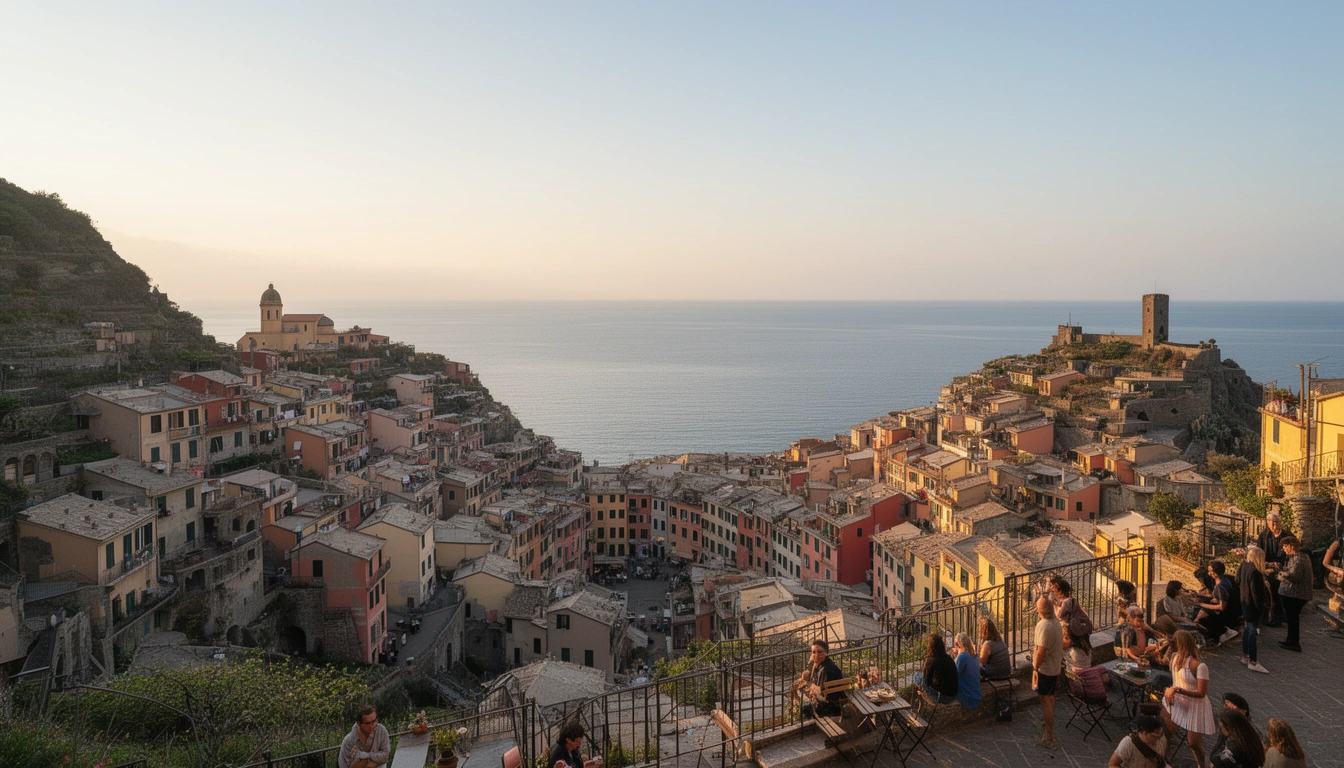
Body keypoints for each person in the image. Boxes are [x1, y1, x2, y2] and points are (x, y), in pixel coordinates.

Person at [1161, 630, 1216, 768]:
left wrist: (1180, 690)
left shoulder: (1200, 666)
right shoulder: (1174, 657)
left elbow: (1202, 693)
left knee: (1193, 743)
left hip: (1195, 705)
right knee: (1166, 732)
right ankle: (1163, 760)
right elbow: (1162, 661)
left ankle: (1201, 765)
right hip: (1178, 701)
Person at [1032, 595, 1063, 751]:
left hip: (1046, 669)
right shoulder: (1055, 623)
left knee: (1045, 700)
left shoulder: (1044, 626)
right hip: (1055, 667)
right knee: (1050, 697)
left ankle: (1049, 736)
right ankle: (1047, 725)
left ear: (1040, 610)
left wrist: (1035, 668)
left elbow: (1040, 651)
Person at [1237, 546, 1272, 673]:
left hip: (1244, 603)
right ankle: (1253, 661)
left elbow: (1237, 580)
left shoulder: (1243, 566)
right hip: (1253, 606)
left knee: (1247, 629)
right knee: (1253, 632)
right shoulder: (1255, 573)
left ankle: (1245, 656)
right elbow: (1257, 594)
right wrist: (1261, 608)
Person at [1276, 536, 1313, 652]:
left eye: (1285, 547)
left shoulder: (1299, 559)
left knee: (1293, 617)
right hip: (1295, 593)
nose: (1284, 549)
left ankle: (1294, 642)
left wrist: (1281, 573)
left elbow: (1294, 576)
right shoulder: (1299, 556)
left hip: (1296, 594)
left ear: (1291, 546)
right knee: (1292, 617)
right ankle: (1290, 638)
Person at [1048, 576, 1092, 668]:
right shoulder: (1073, 604)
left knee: (1077, 676)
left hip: (1073, 652)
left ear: (1058, 593)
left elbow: (1066, 639)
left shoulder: (1064, 609)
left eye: (1053, 591)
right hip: (1084, 649)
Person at [1195, 560, 1241, 646]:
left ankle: (1223, 633)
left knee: (1202, 619)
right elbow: (1221, 598)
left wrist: (1202, 604)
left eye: (1210, 571)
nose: (1208, 573)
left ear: (1215, 573)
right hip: (1230, 609)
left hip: (1227, 613)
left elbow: (1221, 607)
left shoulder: (1220, 586)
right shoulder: (1224, 580)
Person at [799, 639, 845, 718]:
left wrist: (812, 690)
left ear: (825, 652)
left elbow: (822, 695)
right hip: (835, 704)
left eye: (819, 652)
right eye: (814, 652)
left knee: (803, 709)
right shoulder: (826, 664)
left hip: (829, 708)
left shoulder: (825, 670)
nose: (816, 655)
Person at [1257, 512, 1288, 626]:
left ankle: (1279, 617)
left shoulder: (1285, 535)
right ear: (1268, 523)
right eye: (1272, 523)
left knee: (1280, 592)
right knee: (1271, 592)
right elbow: (1259, 551)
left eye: (1277, 522)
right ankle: (1274, 617)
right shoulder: (1264, 535)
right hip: (1268, 566)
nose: (1275, 525)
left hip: (1282, 566)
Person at [913, 634, 959, 704]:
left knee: (916, 676)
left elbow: (927, 680)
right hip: (952, 696)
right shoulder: (949, 658)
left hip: (940, 697)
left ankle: (920, 696)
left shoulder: (931, 661)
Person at [952, 632, 982, 710]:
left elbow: (954, 675)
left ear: (959, 644)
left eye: (956, 644)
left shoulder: (962, 657)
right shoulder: (974, 655)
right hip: (975, 693)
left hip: (966, 695)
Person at [977, 616, 1012, 680]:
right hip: (1006, 673)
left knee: (972, 667)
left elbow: (981, 662)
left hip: (995, 675)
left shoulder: (987, 644)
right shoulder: (1000, 640)